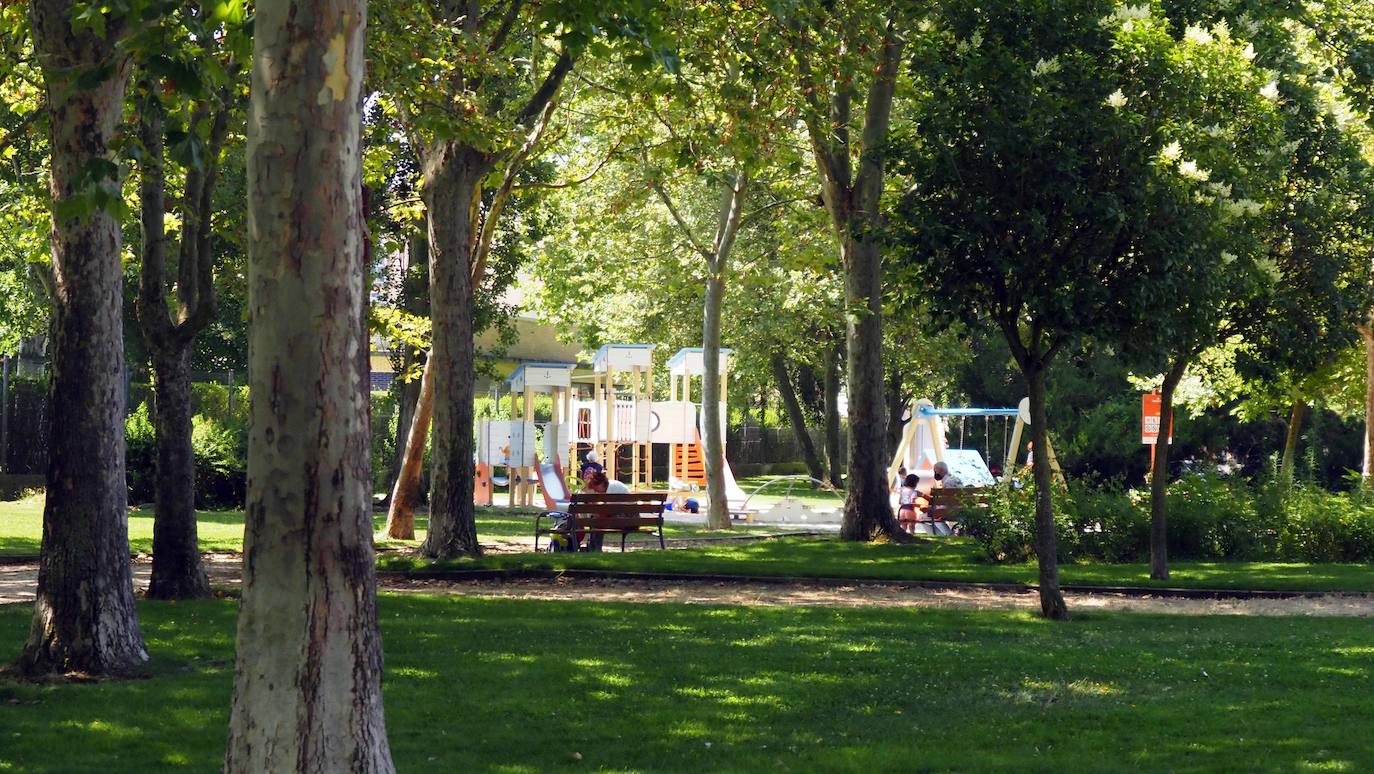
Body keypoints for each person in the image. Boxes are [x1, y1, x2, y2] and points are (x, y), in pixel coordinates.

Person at [582, 471, 629, 550]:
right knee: (596, 520)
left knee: (598, 521)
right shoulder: (611, 485)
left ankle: (594, 548)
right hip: (630, 518)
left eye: (595, 488)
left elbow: (606, 513)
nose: (595, 491)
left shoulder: (611, 490)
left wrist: (596, 513)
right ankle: (593, 547)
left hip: (627, 520)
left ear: (600, 484)